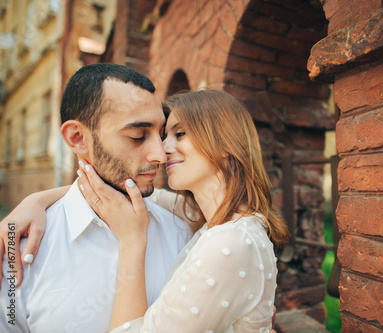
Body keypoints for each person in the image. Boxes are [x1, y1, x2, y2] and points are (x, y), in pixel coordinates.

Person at [1, 85, 286, 330]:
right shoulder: (204, 215)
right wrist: (35, 201)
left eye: (181, 134)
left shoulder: (232, 240)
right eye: (163, 136)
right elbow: (113, 187)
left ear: (225, 143)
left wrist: (132, 240)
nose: (163, 151)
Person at [0, 63, 193, 332]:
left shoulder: (183, 230)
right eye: (138, 136)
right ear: (78, 138)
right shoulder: (17, 252)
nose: (160, 155)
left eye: (159, 135)